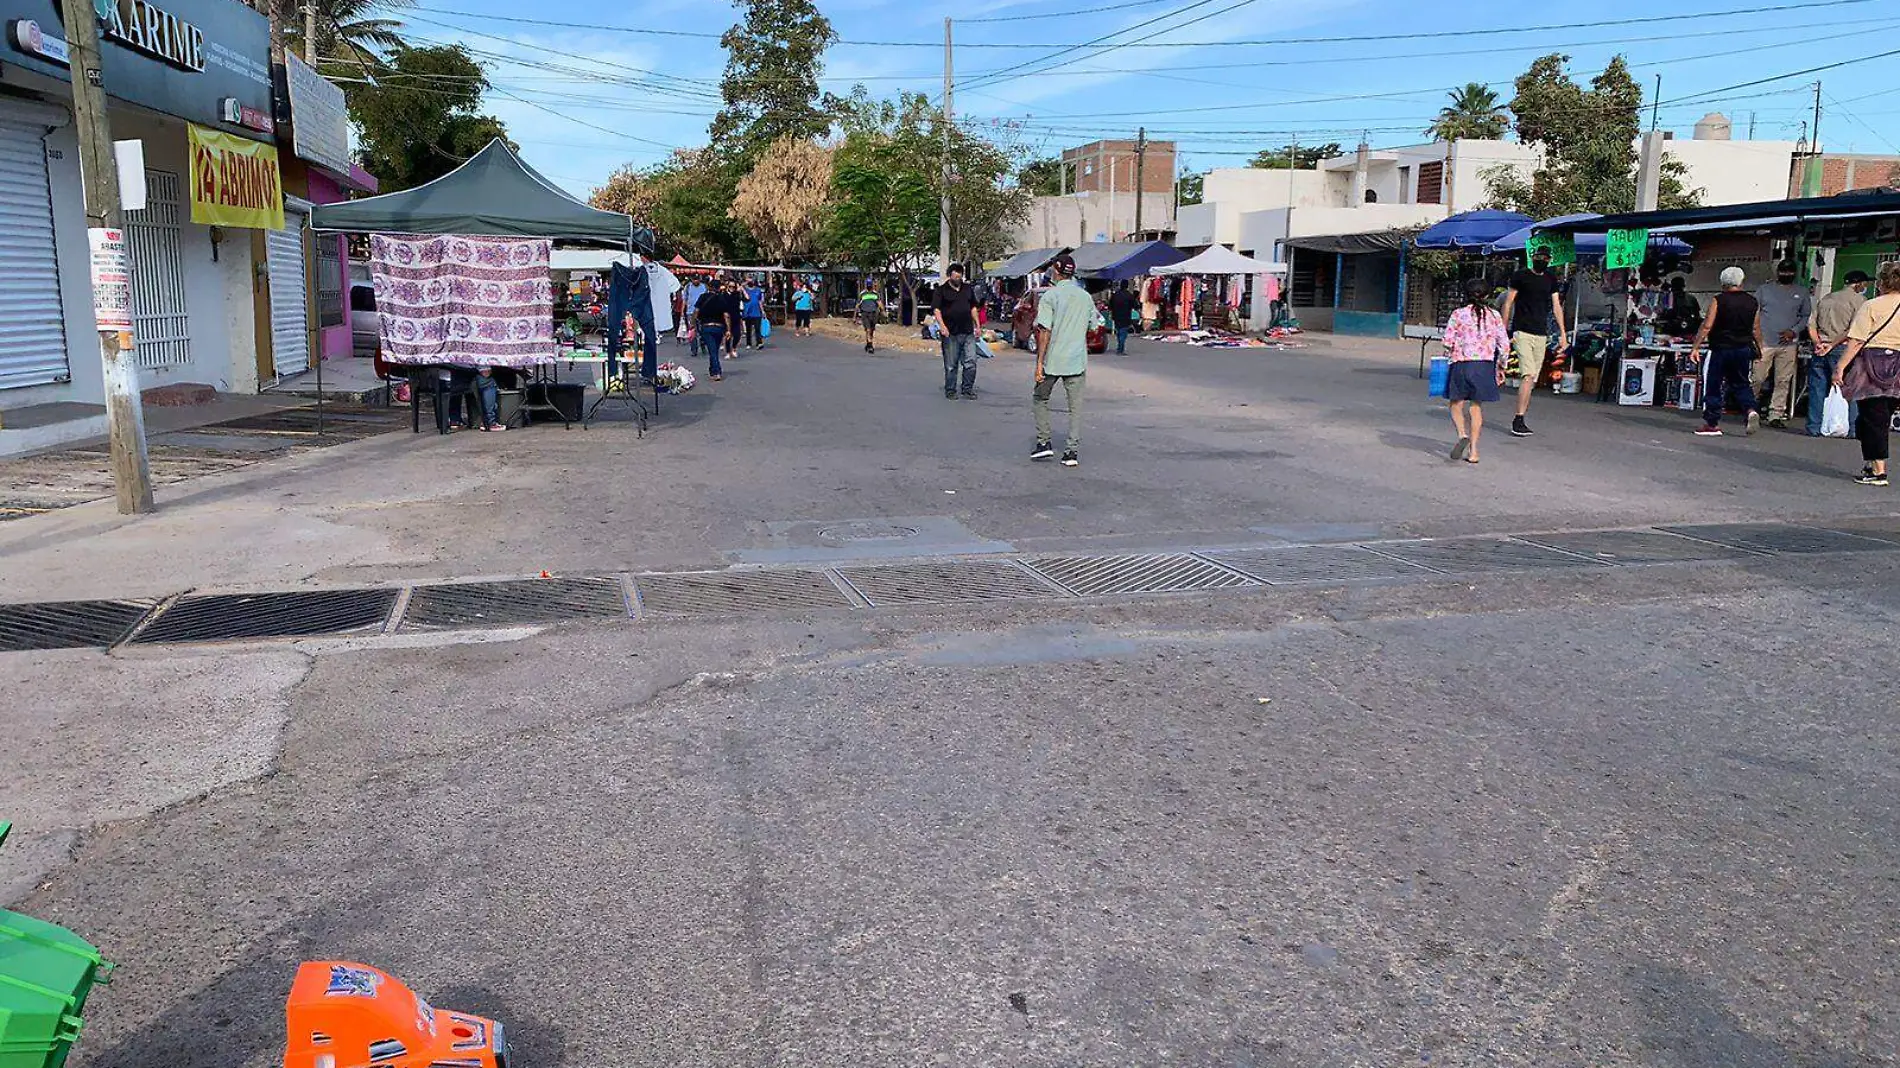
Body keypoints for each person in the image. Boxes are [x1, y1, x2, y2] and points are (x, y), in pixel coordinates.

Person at [1831, 260, 1900, 486]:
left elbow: (1856, 341)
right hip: (1897, 366)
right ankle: (1871, 464)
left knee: (1873, 417)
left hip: (1871, 365)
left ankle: (1879, 471)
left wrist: (1840, 366)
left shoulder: (1871, 305)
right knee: (1878, 416)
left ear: (1882, 282)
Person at [1031, 253, 1096, 467]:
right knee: (1075, 408)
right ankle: (1071, 452)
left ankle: (1044, 442)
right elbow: (1094, 326)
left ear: (1055, 272)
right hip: (1077, 360)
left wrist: (1039, 363)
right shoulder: (1085, 297)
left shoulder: (1049, 297)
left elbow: (1044, 331)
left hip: (1053, 359)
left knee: (1040, 398)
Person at [1500, 246, 1568, 437]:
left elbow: (1556, 306)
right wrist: (1503, 330)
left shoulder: (1550, 279)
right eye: (1539, 257)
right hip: (1522, 331)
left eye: (1545, 258)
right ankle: (1518, 418)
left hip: (1541, 333)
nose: (1542, 260)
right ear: (1533, 257)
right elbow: (1508, 302)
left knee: (1532, 379)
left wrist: (1563, 333)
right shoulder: (1520, 276)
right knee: (1527, 374)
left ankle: (1521, 416)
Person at [1441, 278, 1509, 465]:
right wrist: (1501, 367)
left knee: (1456, 404)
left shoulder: (1458, 314)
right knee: (1476, 407)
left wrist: (1448, 354)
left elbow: (1447, 341)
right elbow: (1504, 345)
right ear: (1487, 295)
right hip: (1484, 366)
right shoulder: (1494, 316)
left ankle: (1462, 434)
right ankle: (1474, 451)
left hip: (1461, 364)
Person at [1690, 266, 1763, 437]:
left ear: (1723, 282)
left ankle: (1712, 423)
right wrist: (1761, 347)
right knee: (1741, 383)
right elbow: (1756, 328)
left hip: (1720, 348)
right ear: (1741, 281)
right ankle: (1750, 409)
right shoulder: (1752, 302)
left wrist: (1696, 346)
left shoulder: (1718, 300)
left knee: (1714, 384)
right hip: (1743, 348)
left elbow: (1707, 325)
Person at [1807, 270, 1871, 436]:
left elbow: (1811, 325)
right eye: (1865, 284)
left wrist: (1819, 343)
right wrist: (1833, 344)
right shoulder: (1861, 301)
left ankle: (1814, 426)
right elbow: (1853, 330)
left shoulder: (1826, 298)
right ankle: (1851, 428)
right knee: (1850, 388)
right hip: (1843, 349)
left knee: (1817, 389)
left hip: (1820, 349)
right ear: (1859, 284)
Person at [1753, 261, 1813, 428]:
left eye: (1790, 271)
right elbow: (1754, 312)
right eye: (1784, 271)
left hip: (1788, 344)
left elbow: (1805, 316)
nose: (1787, 274)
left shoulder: (1801, 292)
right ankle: (1750, 407)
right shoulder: (1764, 290)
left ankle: (1776, 414)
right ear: (1778, 272)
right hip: (1764, 342)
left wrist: (1794, 331)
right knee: (1757, 377)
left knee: (1783, 380)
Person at [931, 262, 981, 399]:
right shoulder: (941, 291)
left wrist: (977, 326)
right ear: (949, 276)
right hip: (950, 333)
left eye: (960, 277)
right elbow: (936, 309)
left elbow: (973, 308)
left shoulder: (967, 289)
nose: (958, 280)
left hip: (968, 332)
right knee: (951, 364)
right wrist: (942, 326)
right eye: (955, 277)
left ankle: (967, 389)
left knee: (971, 362)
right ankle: (951, 390)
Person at [693, 278, 731, 381]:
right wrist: (728, 329)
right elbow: (726, 315)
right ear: (719, 288)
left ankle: (717, 371)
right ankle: (712, 369)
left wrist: (694, 324)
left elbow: (696, 311)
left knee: (712, 350)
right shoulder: (722, 299)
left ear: (709, 287)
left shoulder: (703, 297)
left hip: (706, 327)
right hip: (719, 327)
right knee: (714, 349)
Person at [1107, 282, 1139, 355]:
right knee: (1123, 333)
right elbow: (1135, 305)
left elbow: (1110, 305)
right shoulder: (1129, 295)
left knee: (1118, 332)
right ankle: (1120, 349)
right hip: (1126, 316)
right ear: (1127, 286)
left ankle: (1119, 347)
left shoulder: (1115, 295)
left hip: (1116, 316)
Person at [857, 282, 882, 353]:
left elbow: (879, 303)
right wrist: (854, 316)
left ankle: (868, 343)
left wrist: (883, 311)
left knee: (871, 330)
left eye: (870, 286)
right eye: (868, 286)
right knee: (868, 329)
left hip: (873, 314)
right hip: (865, 313)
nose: (869, 287)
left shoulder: (876, 294)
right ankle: (870, 346)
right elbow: (858, 304)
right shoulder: (862, 294)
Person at [741, 278, 765, 350]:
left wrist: (762, 311)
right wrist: (745, 283)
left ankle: (759, 343)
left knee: (757, 328)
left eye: (752, 281)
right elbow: (739, 287)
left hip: (757, 313)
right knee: (748, 329)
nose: (751, 282)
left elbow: (760, 301)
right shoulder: (744, 290)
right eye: (749, 281)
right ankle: (748, 343)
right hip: (748, 312)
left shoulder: (758, 290)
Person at [682, 276, 706, 345]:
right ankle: (693, 348)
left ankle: (703, 342)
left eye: (697, 279)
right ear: (691, 279)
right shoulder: (688, 287)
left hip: (702, 312)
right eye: (694, 279)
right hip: (690, 312)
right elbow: (684, 300)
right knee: (692, 330)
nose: (695, 281)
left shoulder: (704, 286)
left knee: (702, 330)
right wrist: (682, 312)